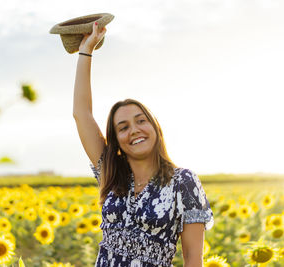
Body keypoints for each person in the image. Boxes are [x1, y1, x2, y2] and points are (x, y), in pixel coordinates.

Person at [72, 21, 214, 267]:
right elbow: (81, 113)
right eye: (123, 127)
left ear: (155, 128)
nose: (134, 130)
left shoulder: (183, 181)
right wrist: (87, 50)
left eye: (141, 121)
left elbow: (193, 258)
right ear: (116, 141)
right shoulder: (111, 174)